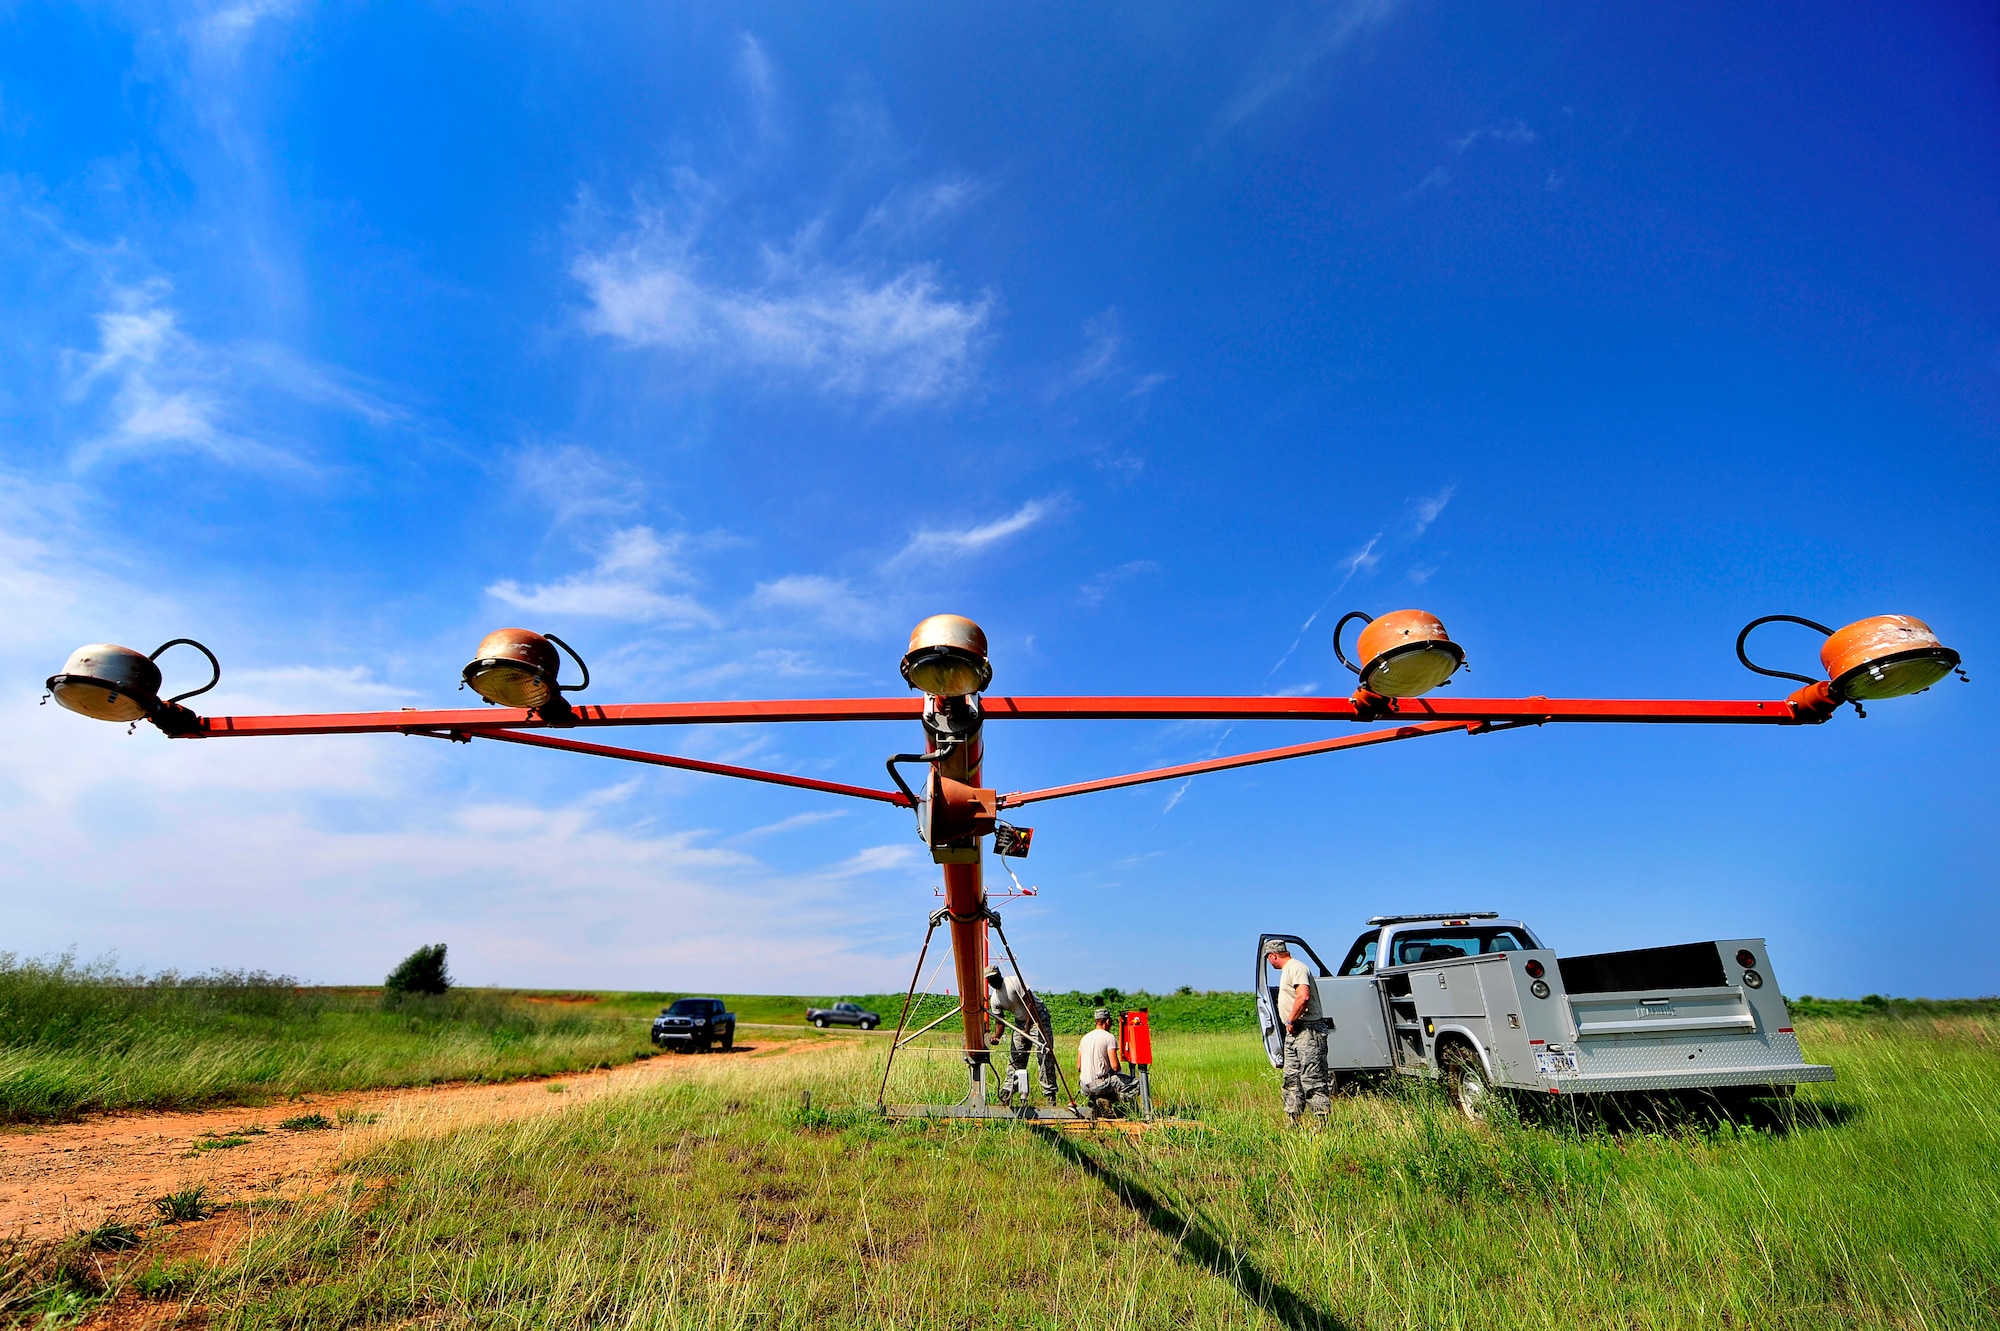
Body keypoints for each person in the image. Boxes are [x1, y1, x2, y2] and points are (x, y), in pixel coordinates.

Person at [1265, 939, 1330, 1123]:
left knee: (1313, 1078)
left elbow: (1303, 997)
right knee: (1291, 1078)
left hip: (1308, 1031)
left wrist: (1291, 1019)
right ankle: (1293, 1121)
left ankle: (1321, 1123)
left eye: (1269, 958)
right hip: (1294, 1032)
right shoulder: (1289, 970)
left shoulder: (1296, 968)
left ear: (1273, 956)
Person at [984, 965, 1058, 1106]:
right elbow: (1000, 1022)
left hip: (1037, 1017)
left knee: (1044, 1053)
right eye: (989, 980)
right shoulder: (995, 999)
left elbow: (1031, 1005)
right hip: (1021, 1022)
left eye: (994, 977)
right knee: (1016, 1055)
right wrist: (997, 1037)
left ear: (999, 975)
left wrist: (1027, 1030)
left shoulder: (1013, 982)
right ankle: (1008, 1093)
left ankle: (1050, 1096)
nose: (993, 981)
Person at [1077, 1007, 1137, 1115]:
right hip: (1098, 1085)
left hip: (1084, 1087)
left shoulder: (1084, 1038)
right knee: (1137, 1084)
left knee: (1109, 1081)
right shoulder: (1109, 1037)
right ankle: (1129, 1111)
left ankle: (1097, 1102)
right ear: (1107, 1021)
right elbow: (1115, 1067)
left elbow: (1079, 1067)